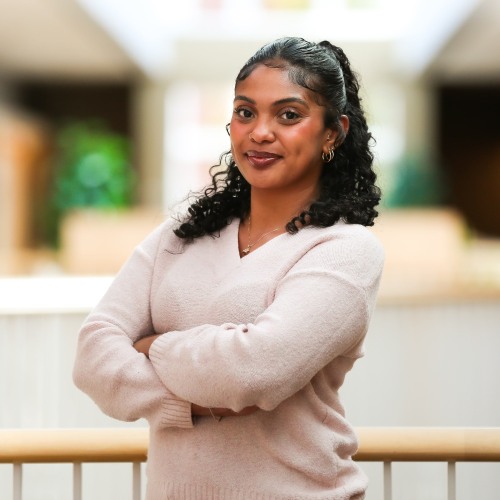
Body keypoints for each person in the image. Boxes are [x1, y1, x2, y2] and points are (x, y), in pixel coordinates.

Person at [73, 36, 384, 499]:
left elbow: (256, 370)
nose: (260, 131)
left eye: (289, 115)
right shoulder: (180, 234)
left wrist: (152, 345)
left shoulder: (345, 249)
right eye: (245, 112)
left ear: (332, 133)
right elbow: (93, 356)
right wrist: (196, 400)